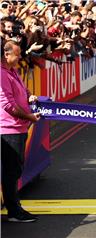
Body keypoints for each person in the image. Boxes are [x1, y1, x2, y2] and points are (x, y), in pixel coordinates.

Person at [1, 39, 41, 222]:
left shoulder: (12, 71)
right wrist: (30, 117)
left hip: (18, 128)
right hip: (9, 130)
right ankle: (14, 211)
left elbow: (23, 90)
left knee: (14, 170)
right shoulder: (1, 74)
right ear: (6, 54)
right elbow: (8, 106)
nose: (20, 58)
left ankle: (13, 206)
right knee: (12, 172)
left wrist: (29, 95)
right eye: (17, 55)